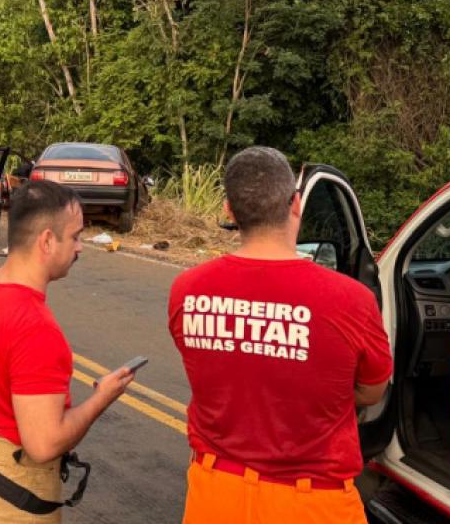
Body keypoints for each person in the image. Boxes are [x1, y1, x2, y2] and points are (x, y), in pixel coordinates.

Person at [168, 146, 392, 524]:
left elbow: (217, 367)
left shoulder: (186, 290)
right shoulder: (352, 300)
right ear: (296, 204)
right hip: (314, 505)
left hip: (215, 495)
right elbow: (372, 391)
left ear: (229, 211)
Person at [0, 180, 134, 523]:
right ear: (47, 241)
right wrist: (102, 397)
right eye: (75, 236)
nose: (80, 247)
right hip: (9, 501)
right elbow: (44, 444)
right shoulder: (36, 328)